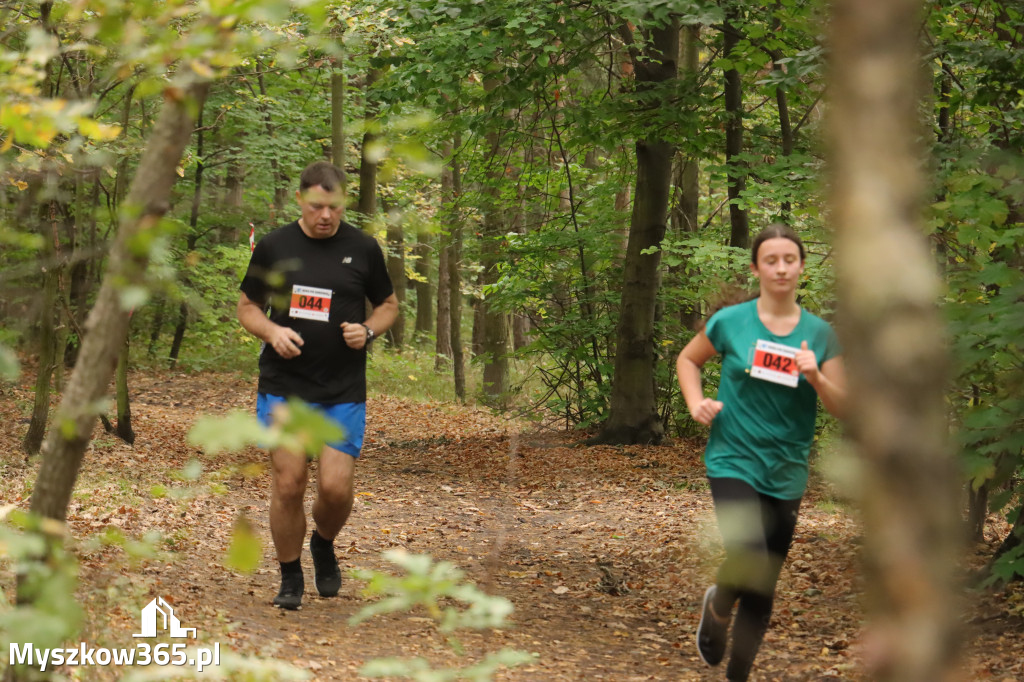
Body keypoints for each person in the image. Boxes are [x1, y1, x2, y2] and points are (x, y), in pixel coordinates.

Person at [676, 223, 846, 681]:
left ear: (802, 267)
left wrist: (816, 376)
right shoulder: (731, 323)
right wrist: (696, 403)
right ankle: (720, 603)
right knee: (748, 553)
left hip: (786, 469)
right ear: (756, 268)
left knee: (763, 582)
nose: (781, 268)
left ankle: (737, 674)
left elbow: (843, 404)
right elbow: (689, 360)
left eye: (789, 259)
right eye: (771, 260)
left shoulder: (819, 334)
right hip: (732, 458)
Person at [237, 161, 398, 610]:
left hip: (341, 390)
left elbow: (387, 304)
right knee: (289, 484)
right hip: (284, 387)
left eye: (333, 206)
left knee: (334, 490)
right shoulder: (275, 246)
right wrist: (271, 332)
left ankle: (323, 543)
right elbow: (248, 306)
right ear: (300, 201)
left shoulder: (363, 248)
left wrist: (367, 330)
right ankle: (290, 576)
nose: (325, 215)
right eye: (316, 206)